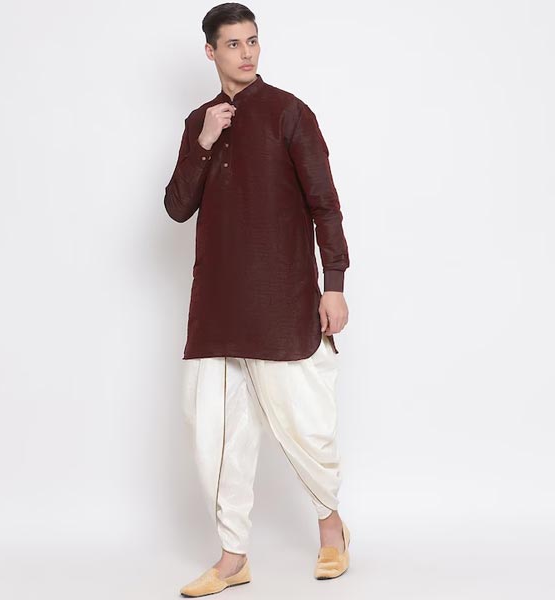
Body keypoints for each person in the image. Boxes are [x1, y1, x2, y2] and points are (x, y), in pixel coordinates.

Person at [163, 3, 351, 596]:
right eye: (233, 44)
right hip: (217, 305)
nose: (246, 53)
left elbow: (325, 203)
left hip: (281, 297)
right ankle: (232, 558)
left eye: (252, 41)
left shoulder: (288, 112)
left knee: (306, 424)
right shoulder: (199, 121)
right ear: (210, 51)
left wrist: (334, 284)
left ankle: (331, 530)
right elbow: (177, 207)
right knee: (216, 437)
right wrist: (203, 140)